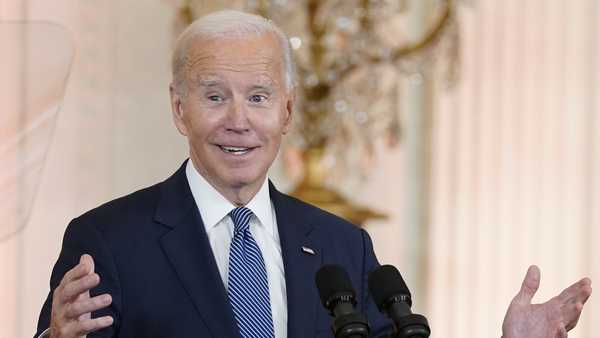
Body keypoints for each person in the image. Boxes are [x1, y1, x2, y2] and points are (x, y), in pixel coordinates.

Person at [35, 10, 592, 338]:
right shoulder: (107, 241)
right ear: (179, 109)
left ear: (287, 112)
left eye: (258, 97)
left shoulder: (341, 246)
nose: (238, 121)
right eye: (214, 96)